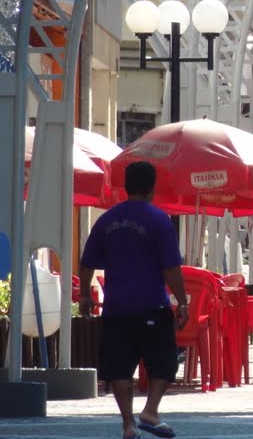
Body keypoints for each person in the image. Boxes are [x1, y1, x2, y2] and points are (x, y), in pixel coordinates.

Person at [79, 161, 188, 439]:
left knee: (119, 367)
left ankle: (128, 424)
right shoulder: (160, 220)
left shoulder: (106, 220)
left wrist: (83, 296)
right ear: (152, 187)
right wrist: (182, 300)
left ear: (126, 186)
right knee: (164, 362)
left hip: (117, 308)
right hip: (152, 305)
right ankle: (150, 411)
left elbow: (87, 261)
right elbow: (171, 268)